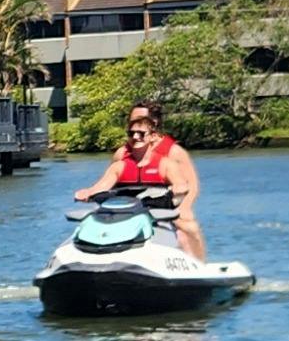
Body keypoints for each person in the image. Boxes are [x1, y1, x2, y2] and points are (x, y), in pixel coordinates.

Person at [76, 97, 207, 259]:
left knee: (188, 225)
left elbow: (190, 186)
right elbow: (107, 183)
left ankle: (198, 265)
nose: (136, 134)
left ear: (154, 125)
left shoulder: (173, 154)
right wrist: (88, 192)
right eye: (132, 124)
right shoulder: (122, 155)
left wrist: (181, 207)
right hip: (129, 209)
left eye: (141, 123)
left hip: (165, 207)